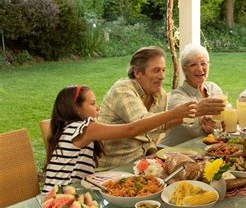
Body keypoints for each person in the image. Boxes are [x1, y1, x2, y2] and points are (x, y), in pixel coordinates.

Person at [42, 85, 196, 193]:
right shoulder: (84, 128)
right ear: (76, 108)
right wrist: (173, 113)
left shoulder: (66, 129)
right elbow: (131, 129)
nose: (98, 109)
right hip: (61, 199)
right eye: (92, 104)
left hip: (63, 195)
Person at [97, 46, 224, 170]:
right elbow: (139, 125)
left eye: (163, 70)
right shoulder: (123, 90)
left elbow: (155, 130)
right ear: (137, 73)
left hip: (139, 165)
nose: (162, 76)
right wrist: (183, 112)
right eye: (156, 70)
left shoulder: (159, 95)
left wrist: (155, 156)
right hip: (110, 169)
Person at [161, 43, 224, 146]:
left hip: (205, 152)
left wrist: (216, 126)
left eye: (203, 63)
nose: (200, 69)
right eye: (193, 65)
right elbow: (181, 113)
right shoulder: (178, 96)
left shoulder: (214, 89)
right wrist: (199, 115)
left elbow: (225, 119)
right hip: (174, 152)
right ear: (184, 69)